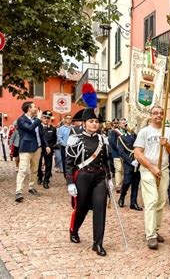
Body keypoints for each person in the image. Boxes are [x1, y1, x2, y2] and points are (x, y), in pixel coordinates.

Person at [65, 108, 113, 256]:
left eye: (96, 121)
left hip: (99, 178)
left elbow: (106, 161)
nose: (94, 124)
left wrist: (110, 178)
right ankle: (74, 230)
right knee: (81, 207)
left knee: (100, 209)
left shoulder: (102, 139)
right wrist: (70, 182)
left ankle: (97, 243)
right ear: (84, 123)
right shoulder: (75, 139)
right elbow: (68, 163)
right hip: (83, 177)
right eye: (91, 121)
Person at [134, 106, 170, 250]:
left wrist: (167, 144)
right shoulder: (144, 132)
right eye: (155, 113)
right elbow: (137, 153)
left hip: (164, 170)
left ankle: (155, 229)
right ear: (150, 115)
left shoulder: (169, 131)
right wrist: (152, 168)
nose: (158, 115)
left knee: (160, 201)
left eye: (161, 113)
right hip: (148, 170)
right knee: (151, 200)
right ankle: (150, 235)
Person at [15, 102, 49, 202]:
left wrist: (46, 145)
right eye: (34, 107)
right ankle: (18, 192)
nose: (37, 109)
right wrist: (38, 119)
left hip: (37, 148)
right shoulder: (21, 119)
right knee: (23, 170)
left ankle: (31, 187)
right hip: (26, 148)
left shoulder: (36, 120)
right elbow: (30, 128)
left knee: (34, 169)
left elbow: (42, 134)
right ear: (29, 108)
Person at [117, 119, 142, 211]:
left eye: (133, 125)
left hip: (138, 162)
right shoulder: (122, 137)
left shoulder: (138, 137)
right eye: (129, 125)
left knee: (136, 183)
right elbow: (121, 152)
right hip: (128, 163)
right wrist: (131, 161)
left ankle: (133, 203)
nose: (132, 127)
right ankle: (122, 196)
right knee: (127, 182)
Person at [37, 110, 56, 189]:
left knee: (48, 165)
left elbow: (54, 139)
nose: (46, 119)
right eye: (45, 117)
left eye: (48, 118)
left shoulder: (53, 128)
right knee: (38, 164)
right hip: (40, 148)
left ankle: (46, 181)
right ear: (42, 118)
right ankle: (40, 176)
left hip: (49, 149)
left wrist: (51, 147)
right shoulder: (38, 127)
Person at [108, 118, 124, 193]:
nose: (116, 124)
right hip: (116, 153)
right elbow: (112, 143)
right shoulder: (112, 132)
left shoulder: (123, 131)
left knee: (123, 170)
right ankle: (118, 186)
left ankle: (123, 184)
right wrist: (119, 150)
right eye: (115, 123)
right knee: (118, 169)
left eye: (117, 123)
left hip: (124, 154)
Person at [57, 114, 73, 179]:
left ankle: (72, 176)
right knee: (65, 162)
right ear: (65, 119)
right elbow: (59, 138)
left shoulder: (74, 128)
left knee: (73, 162)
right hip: (64, 148)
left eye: (70, 118)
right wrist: (66, 145)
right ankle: (66, 177)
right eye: (67, 118)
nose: (69, 119)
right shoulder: (61, 128)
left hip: (73, 148)